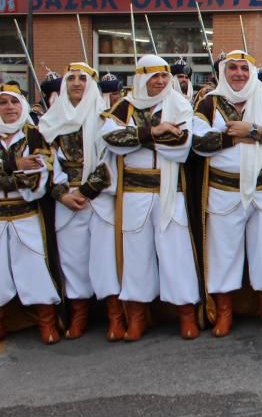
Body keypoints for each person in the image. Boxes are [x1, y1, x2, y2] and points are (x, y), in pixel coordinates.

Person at [191, 50, 262, 337]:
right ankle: (223, 312)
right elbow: (197, 142)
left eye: (244, 69)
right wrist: (229, 137)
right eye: (233, 68)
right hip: (223, 190)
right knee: (224, 252)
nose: (239, 73)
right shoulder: (209, 102)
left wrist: (253, 131)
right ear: (223, 72)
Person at [100, 55, 201, 341]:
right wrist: (153, 131)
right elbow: (110, 139)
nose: (159, 82)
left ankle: (186, 314)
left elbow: (181, 143)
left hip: (171, 190)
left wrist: (137, 138)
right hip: (134, 191)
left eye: (164, 76)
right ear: (141, 78)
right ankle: (136, 317)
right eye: (153, 76)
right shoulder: (124, 106)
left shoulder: (179, 104)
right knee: (136, 254)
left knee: (176, 252)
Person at [38, 62, 118, 340]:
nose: (76, 83)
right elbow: (44, 162)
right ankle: (79, 314)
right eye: (71, 78)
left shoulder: (104, 119)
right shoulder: (50, 122)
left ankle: (114, 315)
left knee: (105, 258)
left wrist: (86, 192)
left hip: (97, 197)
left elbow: (110, 160)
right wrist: (62, 194)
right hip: (66, 199)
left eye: (82, 79)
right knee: (73, 259)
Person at [0, 84, 61, 344]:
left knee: (35, 269)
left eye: (13, 102)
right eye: (2, 103)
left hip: (26, 213)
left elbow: (38, 178)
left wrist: (7, 175)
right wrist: (14, 165)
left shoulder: (36, 136)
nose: (9, 108)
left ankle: (46, 322)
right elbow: (24, 173)